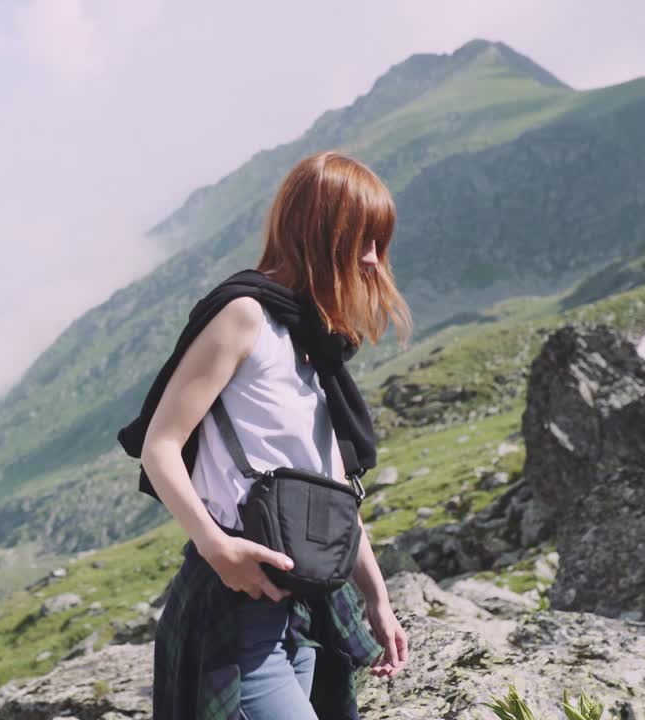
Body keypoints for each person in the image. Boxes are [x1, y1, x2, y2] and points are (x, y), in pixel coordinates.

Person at [128, 150, 414, 719]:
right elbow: (160, 443)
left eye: (379, 242)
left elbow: (331, 497)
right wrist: (218, 547)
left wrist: (377, 601)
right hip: (237, 610)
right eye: (362, 238)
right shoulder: (244, 316)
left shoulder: (315, 343)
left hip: (308, 612)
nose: (372, 259)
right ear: (319, 231)